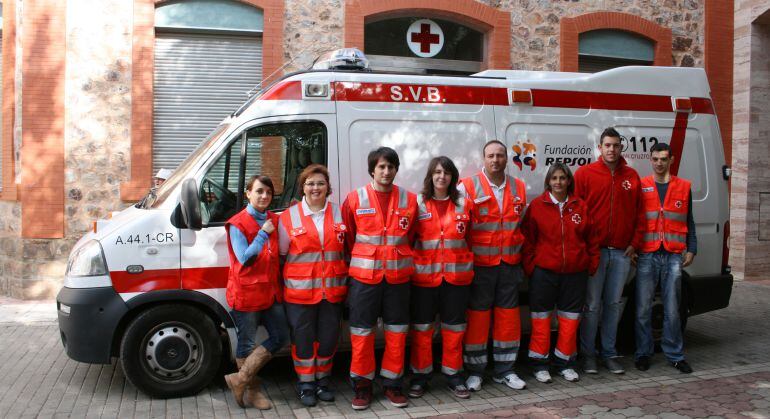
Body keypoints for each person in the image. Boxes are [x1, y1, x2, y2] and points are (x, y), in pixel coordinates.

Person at [341, 146, 418, 410]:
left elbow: (414, 236)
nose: (386, 171)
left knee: (397, 333)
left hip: (398, 279)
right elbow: (348, 238)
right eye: (381, 167)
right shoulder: (354, 199)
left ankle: (393, 384)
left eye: (391, 166)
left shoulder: (410, 200)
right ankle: (362, 386)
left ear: (396, 169)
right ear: (372, 169)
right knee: (362, 333)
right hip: (364, 280)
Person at [522, 163, 600, 384]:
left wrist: (591, 264)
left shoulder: (580, 206)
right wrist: (532, 267)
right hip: (544, 273)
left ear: (569, 181)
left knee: (569, 321)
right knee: (541, 320)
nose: (558, 182)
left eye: (563, 178)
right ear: (548, 181)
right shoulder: (537, 206)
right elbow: (528, 239)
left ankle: (565, 363)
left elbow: (592, 238)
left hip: (575, 273)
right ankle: (539, 364)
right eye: (554, 178)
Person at [459, 140, 528, 391]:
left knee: (508, 319)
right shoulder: (467, 186)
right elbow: (461, 226)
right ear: (483, 158)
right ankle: (475, 372)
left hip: (508, 264)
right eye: (491, 156)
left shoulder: (519, 186)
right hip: (480, 265)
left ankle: (505, 370)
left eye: (500, 155)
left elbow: (520, 223)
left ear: (507, 158)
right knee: (477, 319)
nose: (495, 160)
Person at [278, 164, 349, 407]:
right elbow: (282, 254)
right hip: (299, 293)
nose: (315, 187)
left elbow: (347, 250)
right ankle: (306, 384)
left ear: (328, 187)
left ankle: (323, 381)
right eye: (310, 183)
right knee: (304, 339)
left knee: (329, 338)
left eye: (320, 183)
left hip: (332, 291)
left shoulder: (340, 213)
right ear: (303, 187)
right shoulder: (288, 217)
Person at [574, 127, 642, 375]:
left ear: (621, 147)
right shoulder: (585, 174)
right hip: (596, 252)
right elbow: (576, 212)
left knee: (613, 304)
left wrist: (635, 243)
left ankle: (609, 353)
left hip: (622, 253)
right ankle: (588, 355)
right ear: (599, 147)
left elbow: (639, 214)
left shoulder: (632, 176)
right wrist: (584, 245)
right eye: (607, 145)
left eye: (616, 145)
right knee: (592, 305)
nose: (611, 149)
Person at [408, 156, 474, 399]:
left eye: (446, 172)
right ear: (430, 176)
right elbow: (408, 239)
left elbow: (471, 239)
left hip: (456, 280)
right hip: (424, 280)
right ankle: (420, 376)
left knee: (454, 329)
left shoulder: (465, 204)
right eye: (437, 172)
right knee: (422, 330)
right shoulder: (418, 204)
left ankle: (454, 375)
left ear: (453, 177)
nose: (441, 176)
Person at [223, 175, 290, 410]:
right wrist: (262, 233)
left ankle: (239, 379)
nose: (264, 196)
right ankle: (252, 391)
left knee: (281, 336)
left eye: (268, 193)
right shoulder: (238, 223)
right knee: (246, 343)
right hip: (247, 293)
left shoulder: (274, 218)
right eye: (259, 191)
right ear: (248, 194)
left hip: (271, 291)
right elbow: (245, 258)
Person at [634, 142, 696, 374]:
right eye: (655, 159)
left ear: (671, 160)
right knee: (642, 309)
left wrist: (692, 248)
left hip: (673, 255)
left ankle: (676, 355)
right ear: (650, 160)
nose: (659, 163)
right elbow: (635, 220)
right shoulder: (642, 186)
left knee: (672, 310)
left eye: (663, 159)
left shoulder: (683, 186)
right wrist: (633, 247)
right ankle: (643, 353)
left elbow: (689, 220)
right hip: (647, 254)